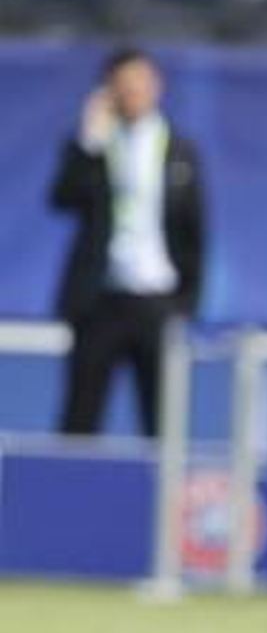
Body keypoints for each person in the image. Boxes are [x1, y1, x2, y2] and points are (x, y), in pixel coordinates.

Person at [51, 47, 206, 437]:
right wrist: (89, 141)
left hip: (157, 303)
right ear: (109, 91)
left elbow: (195, 232)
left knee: (162, 422)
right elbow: (62, 198)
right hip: (99, 301)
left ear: (157, 86)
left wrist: (185, 303)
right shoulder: (95, 145)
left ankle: (160, 498)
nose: (133, 91)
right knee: (80, 420)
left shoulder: (180, 150)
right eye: (123, 85)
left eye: (140, 82)